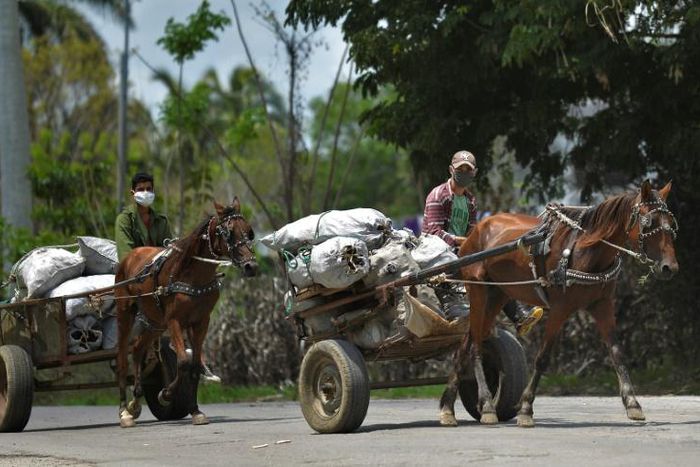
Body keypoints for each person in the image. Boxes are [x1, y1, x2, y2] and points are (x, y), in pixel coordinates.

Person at [422, 151, 543, 336]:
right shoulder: (438, 195)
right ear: (450, 170)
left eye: (467, 170)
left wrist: (474, 244)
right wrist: (462, 242)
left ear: (474, 173)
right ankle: (454, 309)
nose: (464, 173)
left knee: (495, 265)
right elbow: (433, 233)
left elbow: (472, 232)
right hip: (437, 252)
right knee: (466, 265)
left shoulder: (470, 200)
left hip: (462, 251)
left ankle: (519, 315)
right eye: (460, 169)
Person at [115, 172, 221, 383]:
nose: (146, 193)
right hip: (134, 272)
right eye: (141, 189)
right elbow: (126, 254)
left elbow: (168, 247)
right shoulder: (124, 220)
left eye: (149, 189)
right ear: (133, 192)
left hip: (158, 268)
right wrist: (149, 263)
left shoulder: (160, 220)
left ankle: (196, 356)